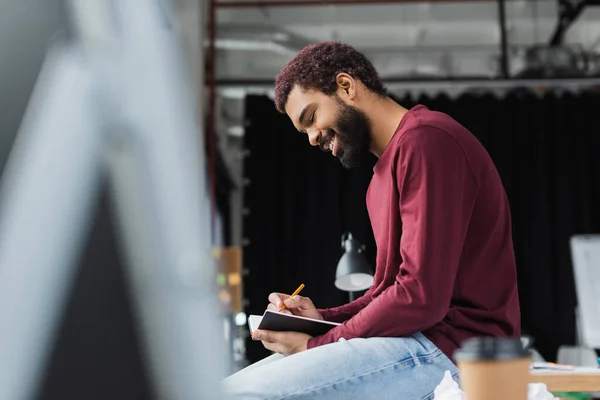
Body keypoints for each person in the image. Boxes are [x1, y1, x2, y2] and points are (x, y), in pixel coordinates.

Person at [222, 42, 521, 400]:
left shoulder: (428, 140)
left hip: (458, 351)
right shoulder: (381, 178)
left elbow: (420, 298)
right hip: (420, 341)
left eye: (312, 117)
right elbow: (389, 291)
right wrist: (321, 318)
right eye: (304, 133)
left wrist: (318, 344)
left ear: (346, 86)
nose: (313, 137)